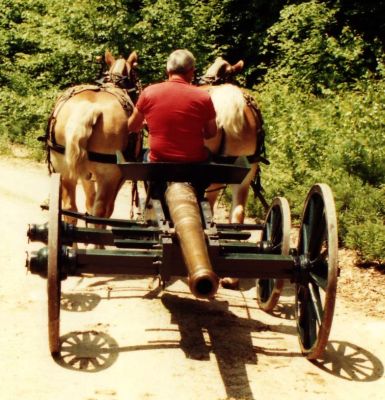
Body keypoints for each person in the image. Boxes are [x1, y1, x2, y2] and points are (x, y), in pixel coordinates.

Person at [127, 49, 217, 162]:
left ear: (167, 70)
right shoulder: (203, 96)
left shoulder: (148, 92)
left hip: (157, 160)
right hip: (194, 160)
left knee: (146, 155)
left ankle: (156, 180)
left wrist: (146, 124)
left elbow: (132, 127)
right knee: (208, 154)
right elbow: (211, 133)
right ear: (191, 71)